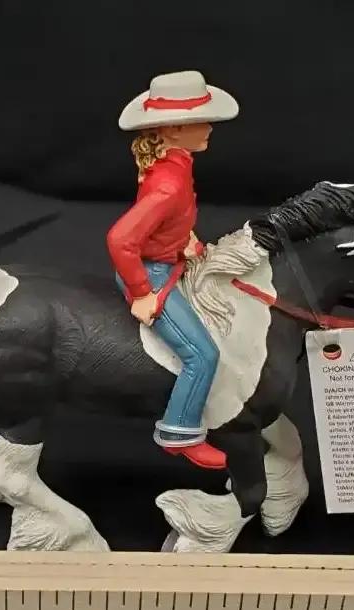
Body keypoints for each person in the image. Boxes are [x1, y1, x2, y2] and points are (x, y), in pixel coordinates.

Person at [106, 70, 239, 471]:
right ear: (175, 128)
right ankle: (179, 432)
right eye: (203, 121)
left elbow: (165, 220)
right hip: (152, 273)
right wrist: (142, 291)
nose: (210, 128)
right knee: (203, 355)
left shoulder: (176, 164)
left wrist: (182, 240)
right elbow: (121, 240)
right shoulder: (169, 182)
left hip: (167, 257)